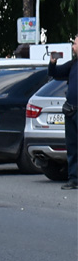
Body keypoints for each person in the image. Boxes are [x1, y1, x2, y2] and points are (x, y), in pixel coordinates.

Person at [48, 35, 78, 190]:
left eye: (75, 44)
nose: (72, 47)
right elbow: (55, 73)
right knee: (72, 146)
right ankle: (74, 179)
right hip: (72, 111)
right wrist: (53, 63)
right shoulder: (73, 64)